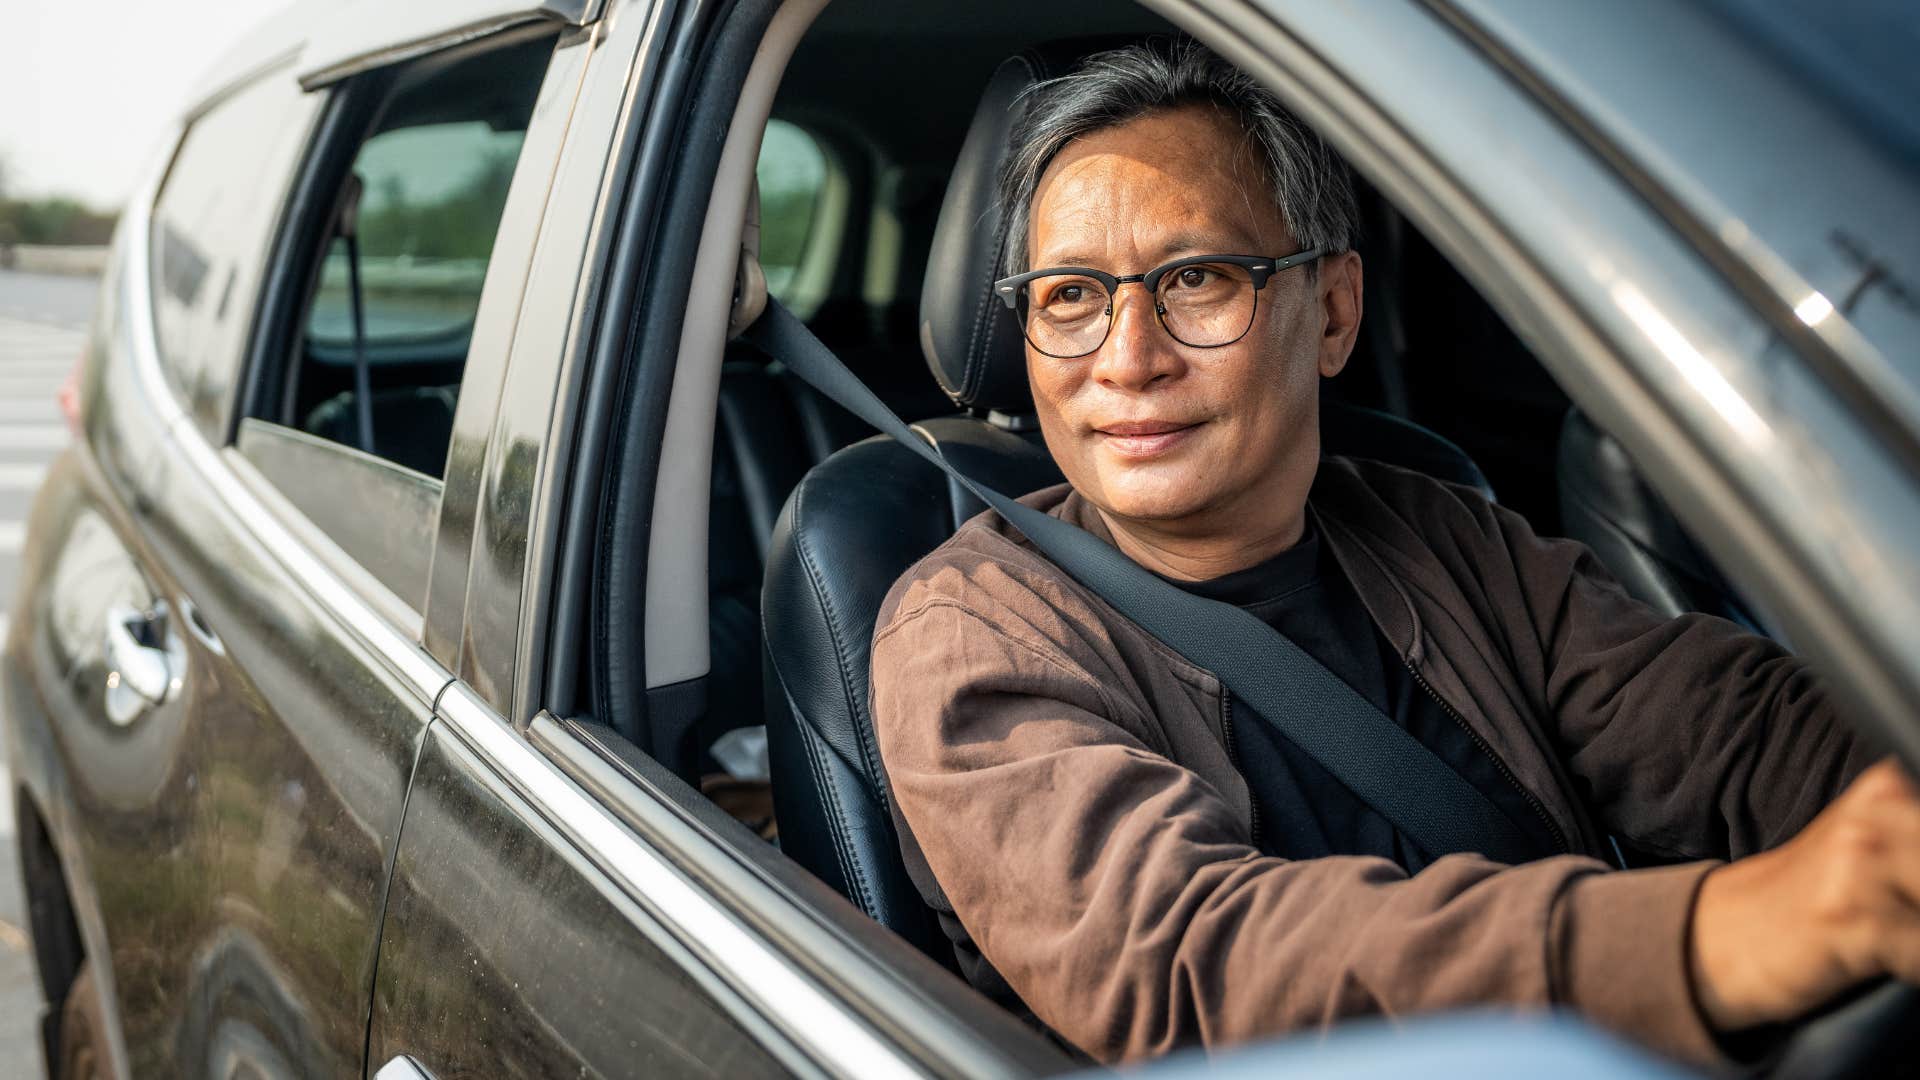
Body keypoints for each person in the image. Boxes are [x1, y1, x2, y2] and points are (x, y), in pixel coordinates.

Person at [867, 38, 1920, 1069]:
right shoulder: (971, 627)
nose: (1130, 357)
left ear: (1332, 311)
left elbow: (1731, 728)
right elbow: (1195, 962)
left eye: (1195, 279)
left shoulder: (1442, 532)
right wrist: (1718, 938)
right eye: (1071, 297)